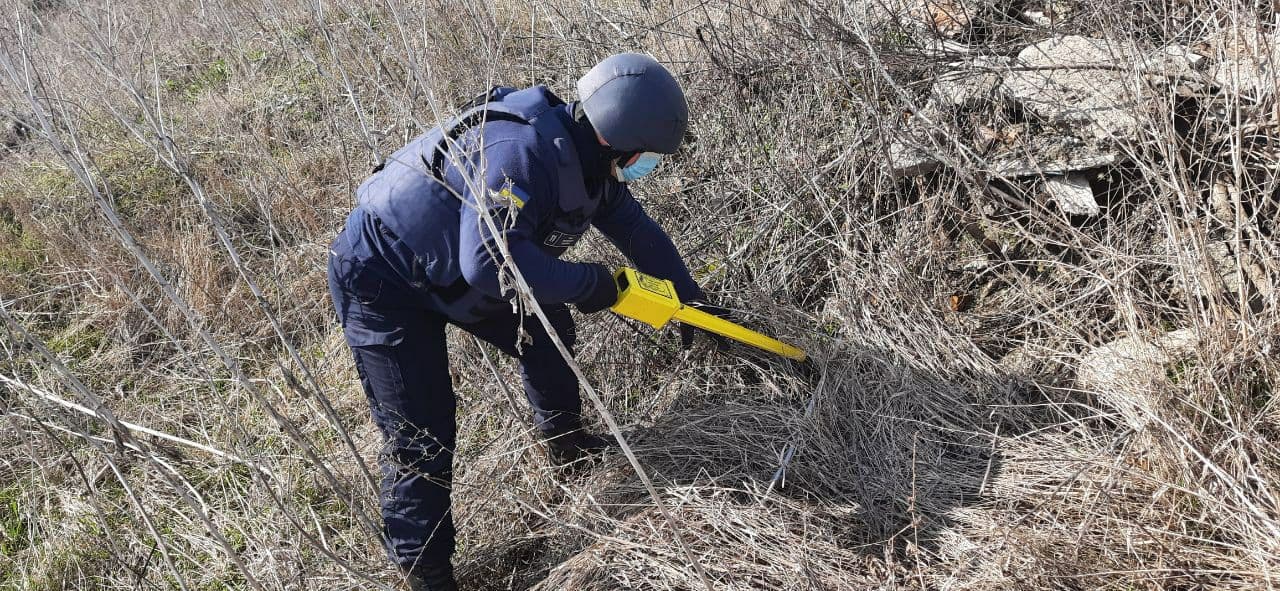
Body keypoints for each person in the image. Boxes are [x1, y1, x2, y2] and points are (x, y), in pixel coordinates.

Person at [326, 53, 720, 591]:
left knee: (549, 333)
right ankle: (426, 574)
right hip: (383, 274)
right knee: (423, 430)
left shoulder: (591, 162)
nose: (648, 165)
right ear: (621, 142)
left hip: (454, 265)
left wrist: (692, 303)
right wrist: (590, 284)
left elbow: (637, 231)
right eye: (648, 156)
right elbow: (489, 263)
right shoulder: (522, 154)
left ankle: (567, 446)